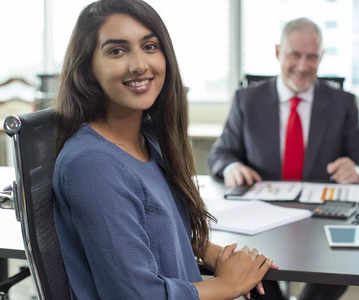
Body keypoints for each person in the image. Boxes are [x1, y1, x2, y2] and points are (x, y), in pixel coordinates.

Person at [52, 1, 278, 299]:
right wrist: (227, 285)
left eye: (150, 46)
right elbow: (135, 295)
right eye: (117, 51)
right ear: (88, 67)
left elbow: (156, 231)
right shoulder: (93, 165)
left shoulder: (148, 140)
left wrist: (211, 253)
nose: (139, 65)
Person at [209, 17, 359, 300]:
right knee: (258, 276)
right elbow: (220, 153)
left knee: (340, 269)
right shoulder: (246, 100)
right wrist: (232, 166)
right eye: (294, 55)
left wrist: (357, 171)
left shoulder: (343, 103)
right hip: (261, 219)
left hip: (322, 219)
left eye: (311, 57)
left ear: (321, 58)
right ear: (278, 52)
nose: (302, 66)